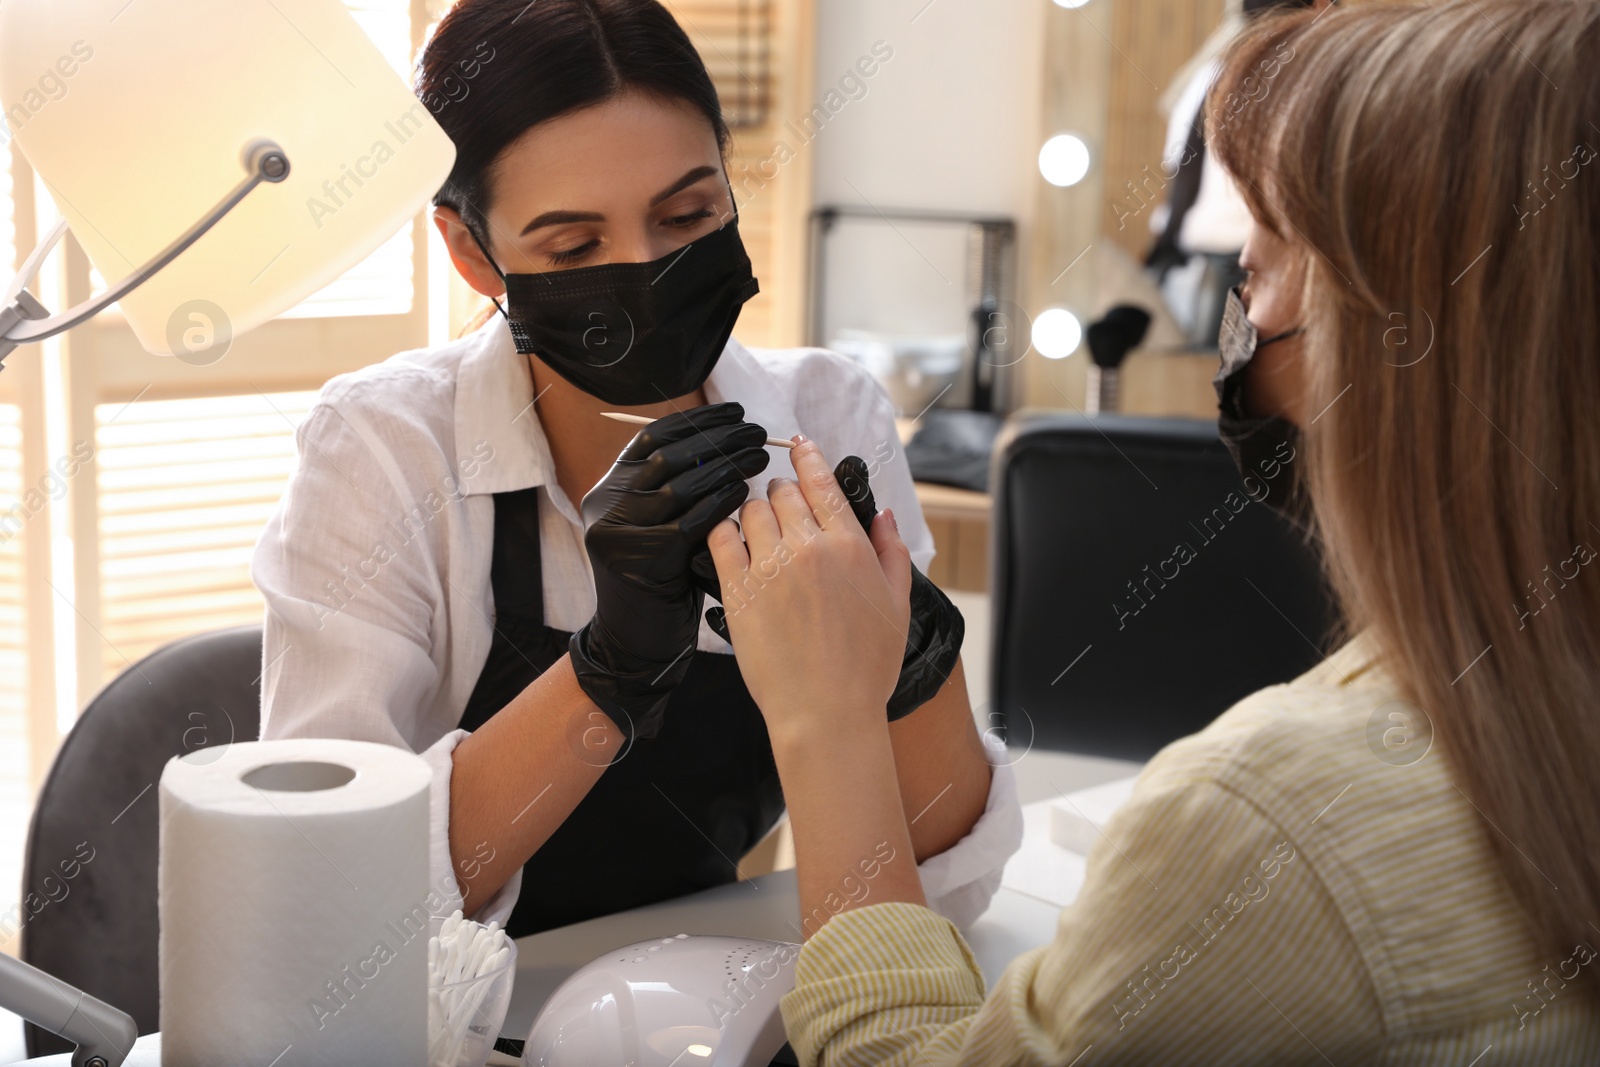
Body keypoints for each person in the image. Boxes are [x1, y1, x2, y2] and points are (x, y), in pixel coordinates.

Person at [706, 0, 1600, 1061]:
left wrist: (827, 718)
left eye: (1256, 273)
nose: (1241, 317)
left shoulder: (1266, 825)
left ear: (1388, 342)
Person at [251, 0, 1020, 939]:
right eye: (575, 247)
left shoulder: (827, 417)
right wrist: (609, 669)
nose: (647, 271)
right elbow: (325, 898)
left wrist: (906, 653)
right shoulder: (385, 447)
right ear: (469, 249)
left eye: (688, 212)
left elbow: (953, 884)